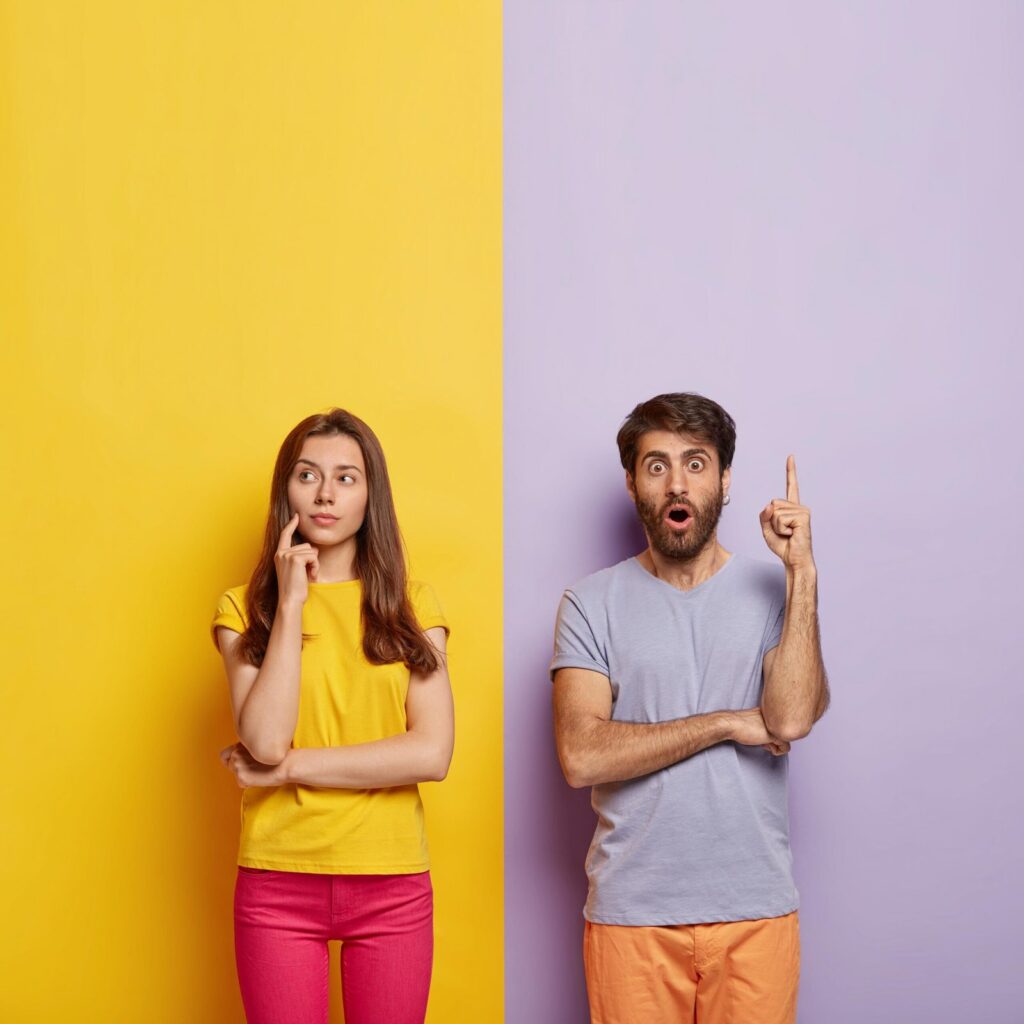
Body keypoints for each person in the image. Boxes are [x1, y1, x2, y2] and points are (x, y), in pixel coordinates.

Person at [551, 392, 829, 1024]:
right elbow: (581, 754)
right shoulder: (591, 602)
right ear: (632, 483)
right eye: (656, 465)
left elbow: (788, 720)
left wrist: (802, 572)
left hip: (755, 910)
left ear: (725, 479)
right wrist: (728, 722)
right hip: (632, 916)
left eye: (696, 463)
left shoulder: (773, 589)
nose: (677, 482)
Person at [212, 408, 454, 1024]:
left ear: (371, 494)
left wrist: (290, 769)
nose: (325, 494)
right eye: (308, 475)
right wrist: (291, 604)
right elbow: (262, 739)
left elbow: (431, 753)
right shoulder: (244, 609)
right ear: (284, 490)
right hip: (277, 883)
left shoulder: (410, 607)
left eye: (347, 477)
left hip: (393, 880)